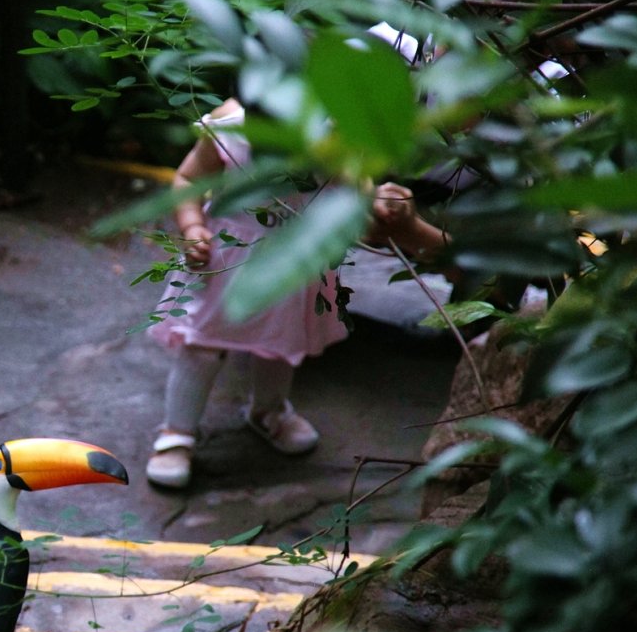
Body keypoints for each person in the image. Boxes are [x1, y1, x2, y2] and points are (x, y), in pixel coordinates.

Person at [144, 98, 448, 489]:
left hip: (295, 262)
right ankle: (177, 433)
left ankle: (268, 410)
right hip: (225, 257)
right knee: (201, 345)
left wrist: (385, 203)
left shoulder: (338, 139)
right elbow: (188, 179)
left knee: (280, 345)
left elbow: (361, 194)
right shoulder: (230, 126)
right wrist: (192, 227)